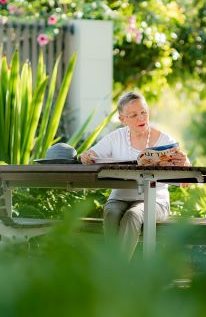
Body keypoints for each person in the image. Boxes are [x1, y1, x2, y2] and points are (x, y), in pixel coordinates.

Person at [80, 91, 190, 259]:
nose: (141, 118)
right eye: (133, 115)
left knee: (133, 215)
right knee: (111, 212)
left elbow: (187, 174)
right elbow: (91, 154)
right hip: (119, 197)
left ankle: (116, 273)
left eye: (143, 112)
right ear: (122, 120)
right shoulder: (115, 138)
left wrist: (184, 163)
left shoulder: (165, 140)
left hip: (155, 200)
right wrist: (85, 156)